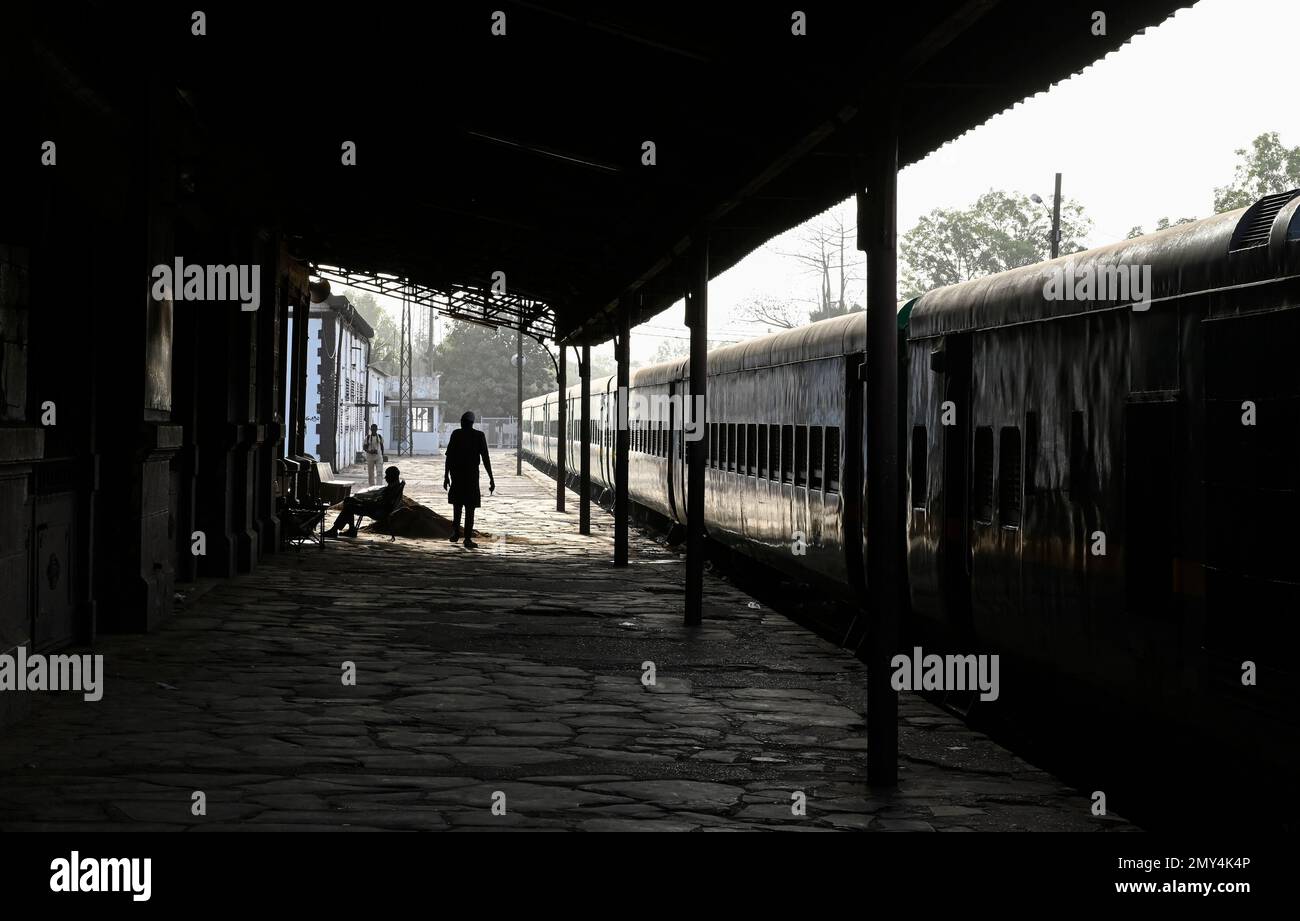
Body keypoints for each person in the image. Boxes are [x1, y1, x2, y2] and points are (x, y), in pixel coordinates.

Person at [444, 411, 494, 549]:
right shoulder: (479, 436)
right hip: (471, 477)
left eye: (462, 421)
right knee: (469, 509)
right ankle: (466, 538)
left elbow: (449, 457)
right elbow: (485, 459)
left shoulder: (456, 434)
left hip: (458, 476)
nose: (461, 423)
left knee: (457, 507)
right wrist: (491, 478)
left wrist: (446, 475)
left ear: (465, 422)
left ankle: (456, 533)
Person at [325, 465, 404, 538]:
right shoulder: (395, 486)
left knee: (349, 506)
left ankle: (336, 530)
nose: (385, 478)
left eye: (387, 476)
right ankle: (349, 529)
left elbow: (378, 504)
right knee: (348, 500)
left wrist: (362, 501)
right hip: (378, 508)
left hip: (378, 511)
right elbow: (378, 501)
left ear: (392, 476)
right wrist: (363, 500)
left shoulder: (392, 490)